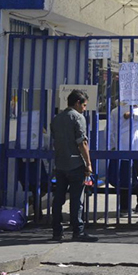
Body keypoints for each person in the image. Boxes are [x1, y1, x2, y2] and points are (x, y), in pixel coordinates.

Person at [50, 89, 98, 242]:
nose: (84, 108)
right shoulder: (78, 117)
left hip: (60, 164)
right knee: (77, 199)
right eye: (84, 105)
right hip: (76, 164)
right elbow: (82, 143)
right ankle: (78, 231)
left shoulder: (56, 119)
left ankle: (57, 231)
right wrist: (88, 164)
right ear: (77, 103)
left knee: (58, 198)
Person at [109, 104, 138, 218]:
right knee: (131, 179)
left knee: (136, 179)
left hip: (135, 150)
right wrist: (112, 146)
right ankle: (131, 207)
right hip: (128, 150)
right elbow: (110, 130)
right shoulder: (117, 111)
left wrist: (134, 115)